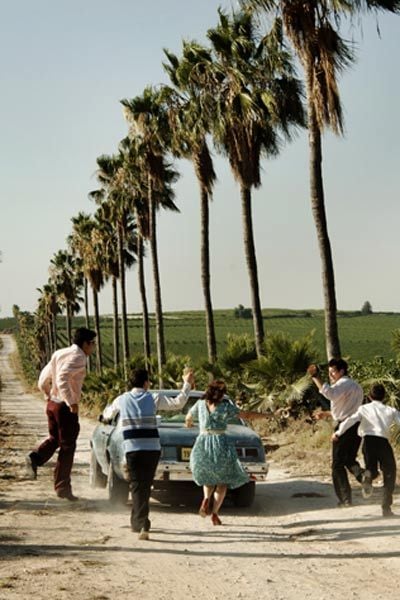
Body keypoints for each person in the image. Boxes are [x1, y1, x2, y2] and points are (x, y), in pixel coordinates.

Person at [102, 367, 195, 540]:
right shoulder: (153, 397)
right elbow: (178, 403)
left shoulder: (121, 399)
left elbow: (107, 415)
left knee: (138, 485)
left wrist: (106, 416)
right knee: (144, 484)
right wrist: (187, 384)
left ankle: (141, 521)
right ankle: (139, 520)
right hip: (152, 449)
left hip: (133, 449)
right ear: (146, 383)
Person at [26, 327, 96, 501]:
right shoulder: (79, 357)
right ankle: (62, 487)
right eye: (93, 343)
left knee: (55, 439)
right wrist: (71, 401)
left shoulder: (60, 353)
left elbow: (44, 377)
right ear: (85, 343)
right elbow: (62, 378)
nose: (94, 347)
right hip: (64, 408)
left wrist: (47, 393)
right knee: (68, 447)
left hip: (52, 404)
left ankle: (35, 457)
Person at [185, 380, 263, 525]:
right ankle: (214, 513)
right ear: (221, 394)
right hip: (220, 443)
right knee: (222, 482)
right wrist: (267, 416)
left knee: (208, 478)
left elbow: (188, 418)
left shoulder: (200, 404)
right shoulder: (225, 407)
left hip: (202, 442)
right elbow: (246, 415)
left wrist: (189, 424)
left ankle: (205, 499)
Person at [333, 383, 400, 517]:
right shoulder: (391, 410)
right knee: (389, 472)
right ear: (384, 397)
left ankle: (368, 476)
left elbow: (350, 420)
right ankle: (386, 508)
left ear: (369, 396)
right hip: (383, 442)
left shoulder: (363, 409)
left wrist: (338, 433)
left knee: (372, 469)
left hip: (368, 442)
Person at [308, 358, 364, 507]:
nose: (331, 375)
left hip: (344, 427)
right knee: (349, 459)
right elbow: (344, 410)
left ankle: (345, 499)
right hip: (357, 425)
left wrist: (316, 377)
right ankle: (363, 476)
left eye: (333, 372)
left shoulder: (342, 384)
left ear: (342, 371)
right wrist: (326, 414)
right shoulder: (356, 386)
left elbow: (330, 394)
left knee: (337, 465)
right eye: (329, 372)